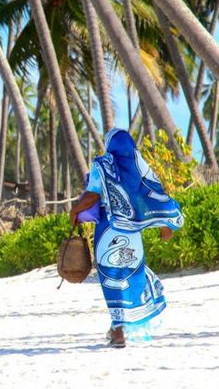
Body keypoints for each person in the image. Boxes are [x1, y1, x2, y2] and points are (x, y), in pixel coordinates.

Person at [69, 128, 183, 348]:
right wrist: (165, 223)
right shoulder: (139, 167)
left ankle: (118, 331)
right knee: (130, 275)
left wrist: (74, 211)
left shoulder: (102, 165)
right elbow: (153, 195)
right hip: (131, 234)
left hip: (107, 231)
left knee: (111, 278)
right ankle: (118, 328)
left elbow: (92, 195)